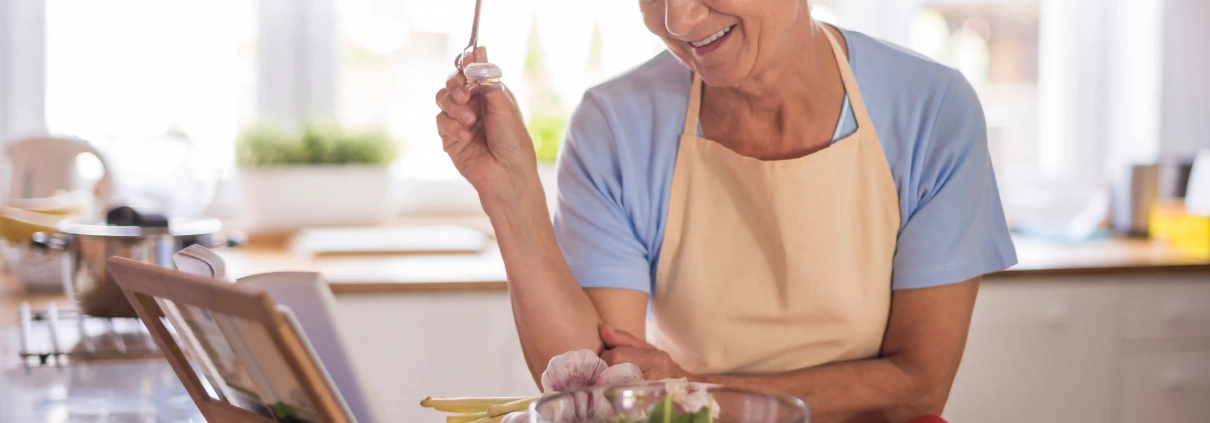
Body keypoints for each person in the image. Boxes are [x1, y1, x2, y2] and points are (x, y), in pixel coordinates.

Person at [434, 1, 1017, 421]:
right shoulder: (617, 125)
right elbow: (599, 387)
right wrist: (509, 195)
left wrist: (696, 388)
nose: (678, 19)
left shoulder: (931, 111)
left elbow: (918, 386)